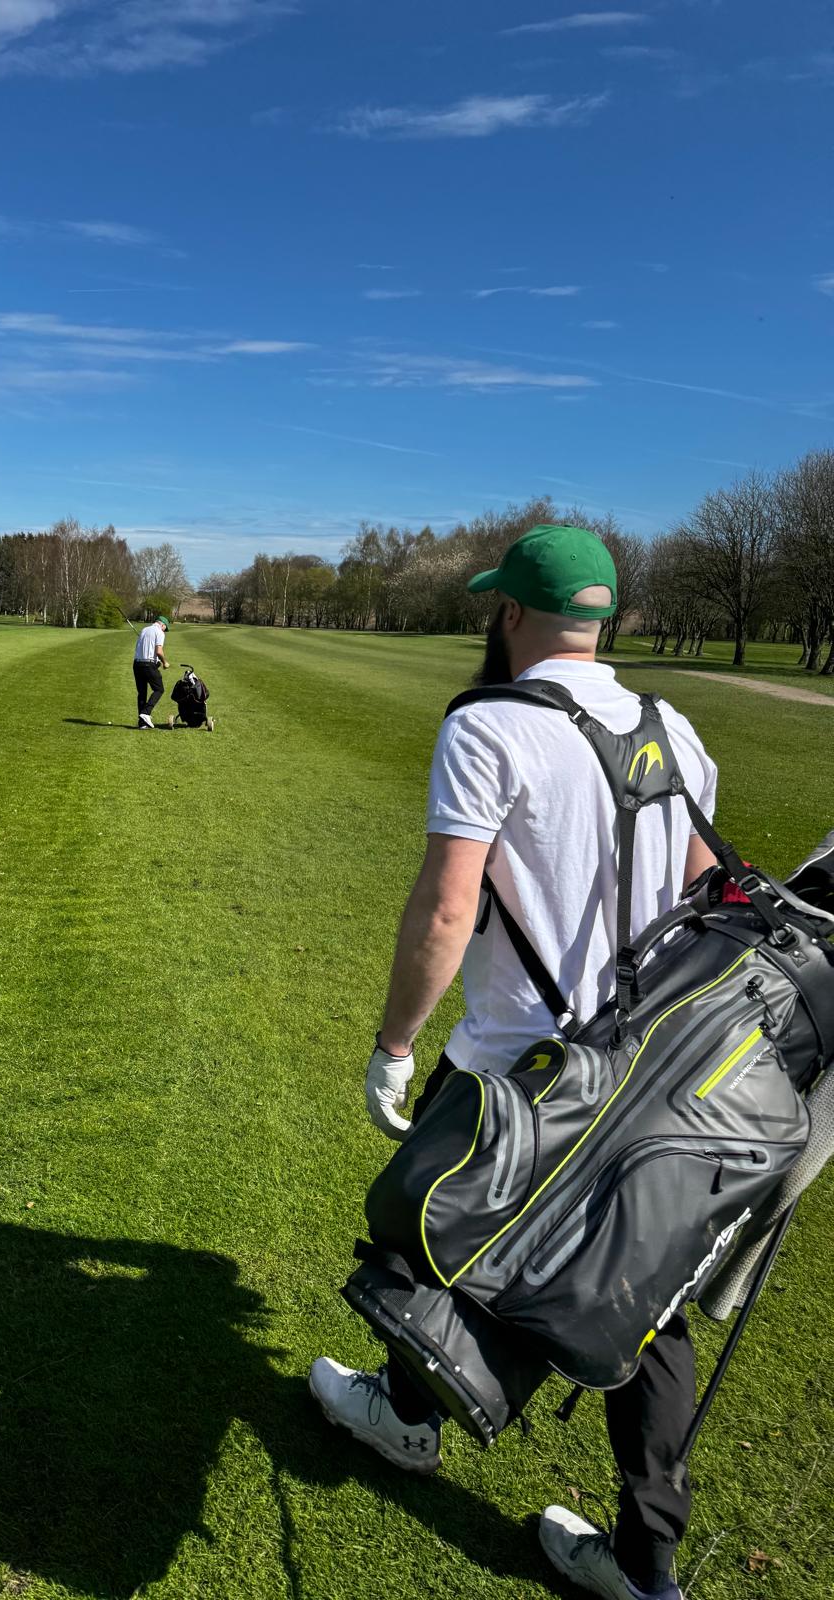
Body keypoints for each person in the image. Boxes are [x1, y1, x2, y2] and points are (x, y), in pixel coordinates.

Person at [309, 525, 719, 1600]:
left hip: (512, 1068)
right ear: (604, 619)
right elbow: (704, 894)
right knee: (651, 1305)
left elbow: (449, 909)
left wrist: (393, 1047)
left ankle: (404, 1419)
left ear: (512, 613)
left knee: (420, 1220)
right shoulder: (676, 729)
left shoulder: (490, 723)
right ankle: (647, 1564)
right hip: (641, 1077)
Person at [133, 614, 170, 730]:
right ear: (162, 625)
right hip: (148, 664)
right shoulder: (159, 632)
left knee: (142, 693)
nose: (165, 630)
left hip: (137, 664)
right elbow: (158, 651)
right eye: (165, 628)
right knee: (159, 689)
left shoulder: (144, 630)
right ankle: (146, 712)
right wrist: (164, 662)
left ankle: (142, 723)